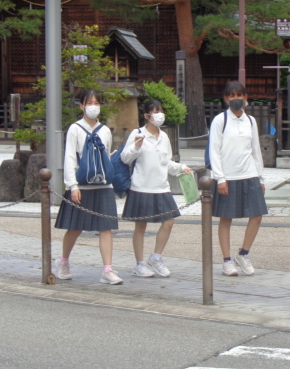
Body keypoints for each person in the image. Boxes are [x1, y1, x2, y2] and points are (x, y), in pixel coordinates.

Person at [54, 90, 123, 285]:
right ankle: (63, 261)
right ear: (81, 106)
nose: (93, 106)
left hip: (103, 186)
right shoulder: (75, 129)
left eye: (96, 102)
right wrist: (72, 185)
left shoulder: (105, 130)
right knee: (75, 227)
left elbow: (107, 157)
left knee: (106, 227)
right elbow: (69, 158)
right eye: (89, 102)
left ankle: (107, 270)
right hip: (81, 186)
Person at [121, 100, 191, 278]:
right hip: (141, 187)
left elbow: (166, 163)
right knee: (141, 226)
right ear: (146, 116)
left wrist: (181, 168)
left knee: (168, 221)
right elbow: (124, 158)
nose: (160, 114)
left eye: (161, 110)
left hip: (161, 187)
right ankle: (139, 264)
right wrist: (136, 146)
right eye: (155, 111)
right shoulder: (137, 134)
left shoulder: (164, 136)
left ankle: (156, 257)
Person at [208, 81, 268, 276]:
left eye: (239, 95)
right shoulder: (220, 120)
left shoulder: (251, 120)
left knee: (257, 215)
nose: (236, 99)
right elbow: (214, 151)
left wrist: (261, 177)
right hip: (228, 176)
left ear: (245, 98)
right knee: (226, 219)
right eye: (232, 96)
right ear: (226, 99)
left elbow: (256, 150)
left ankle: (243, 254)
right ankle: (227, 260)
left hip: (250, 174)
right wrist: (220, 178)